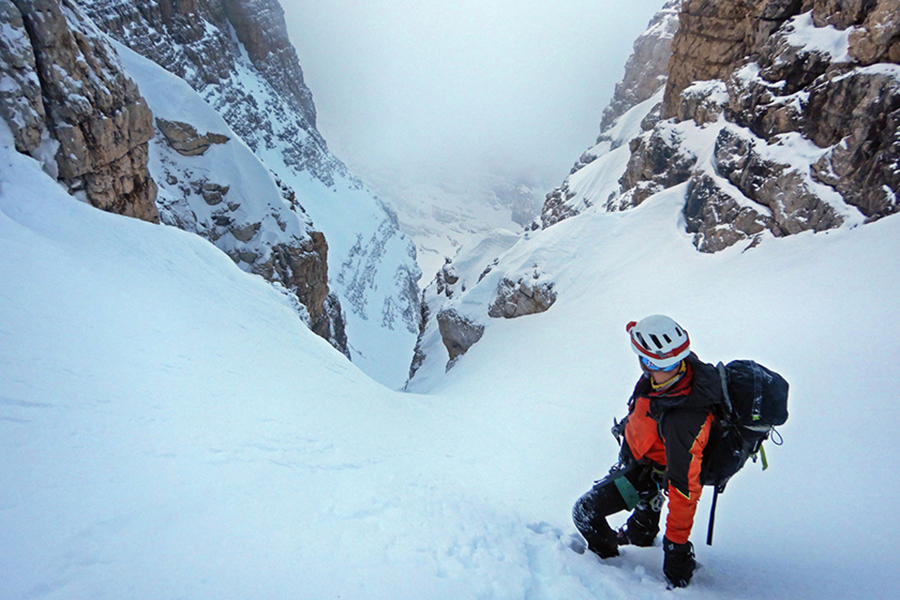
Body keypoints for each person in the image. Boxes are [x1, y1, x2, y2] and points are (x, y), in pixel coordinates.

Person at [572, 315, 722, 588]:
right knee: (640, 535)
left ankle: (608, 568)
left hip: (648, 472)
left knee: (585, 512)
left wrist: (676, 547)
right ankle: (645, 515)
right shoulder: (677, 372)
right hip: (641, 459)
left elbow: (684, 488)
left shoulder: (683, 420)